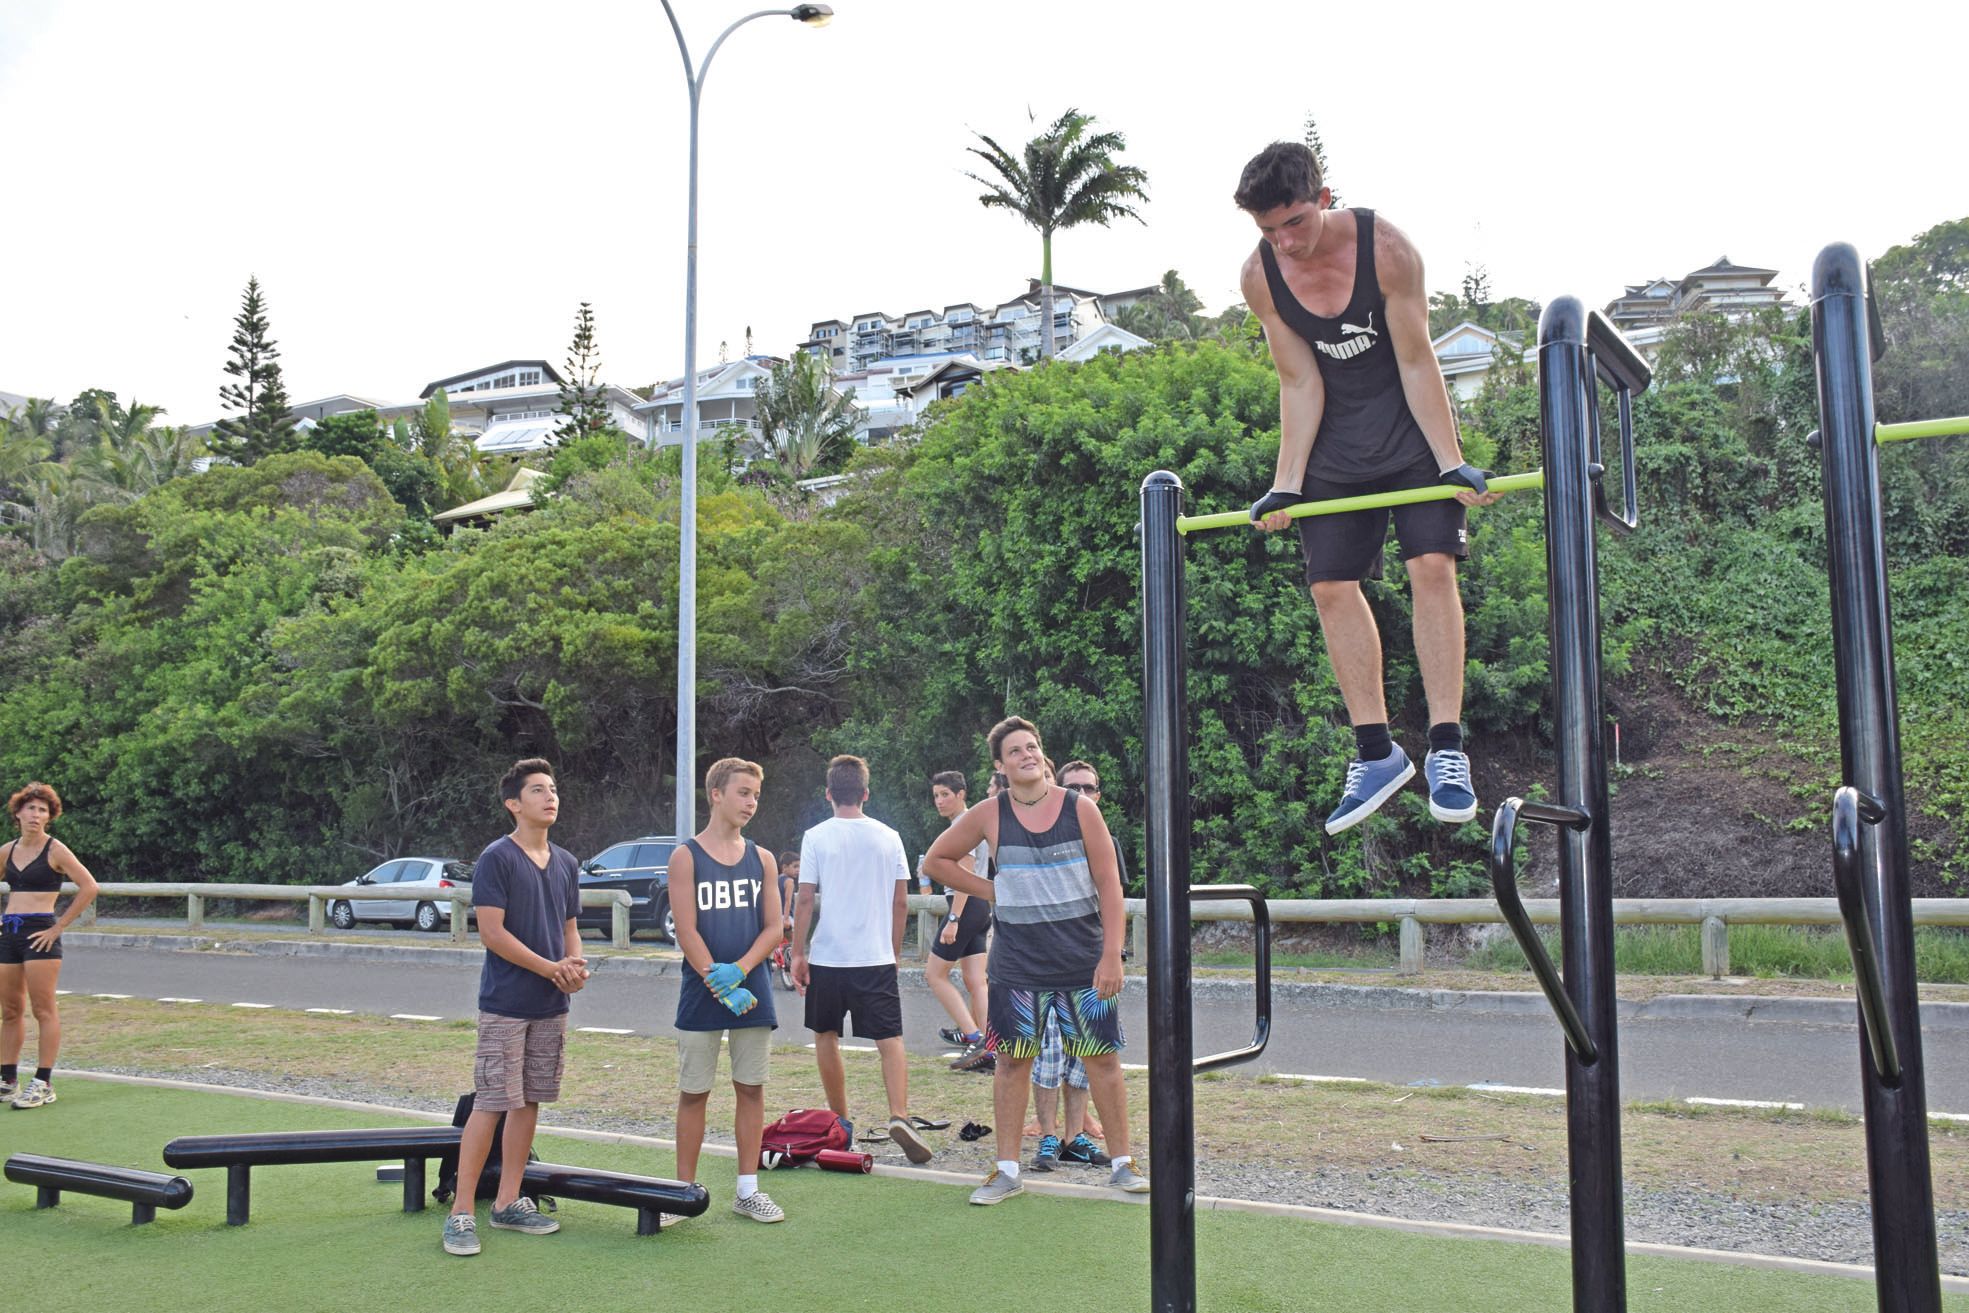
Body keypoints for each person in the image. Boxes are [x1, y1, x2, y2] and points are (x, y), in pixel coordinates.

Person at [1234, 140, 1498, 836]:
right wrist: (1285, 484)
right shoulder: (1261, 277)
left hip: (1409, 434)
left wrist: (1449, 463)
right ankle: (1376, 754)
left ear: (1322, 199)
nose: (1283, 242)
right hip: (1336, 445)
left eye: (1293, 222)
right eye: (1268, 231)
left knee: (1430, 566)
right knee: (1328, 586)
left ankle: (1445, 747)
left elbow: (1416, 359)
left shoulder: (1387, 250)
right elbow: (1298, 380)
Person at [925, 717, 1148, 1203]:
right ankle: (1006, 1172)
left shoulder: (1080, 809)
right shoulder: (989, 813)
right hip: (1016, 966)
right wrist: (992, 889)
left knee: (1102, 1062)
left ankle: (1123, 1164)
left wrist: (1112, 954)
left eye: (1033, 747)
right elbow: (935, 861)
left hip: (1082, 961)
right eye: (1015, 751)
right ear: (1001, 765)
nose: (1027, 755)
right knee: (1011, 1063)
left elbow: (1111, 886)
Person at [444, 759, 588, 1257]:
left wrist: (574, 965)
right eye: (537, 790)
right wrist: (551, 968)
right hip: (506, 1004)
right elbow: (492, 932)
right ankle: (461, 1211)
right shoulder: (496, 858)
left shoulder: (567, 862)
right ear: (513, 803)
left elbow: (570, 927)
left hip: (552, 1004)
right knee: (492, 1101)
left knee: (529, 1100)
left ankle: (508, 1201)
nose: (550, 797)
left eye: (553, 789)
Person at [790, 754, 933, 1165]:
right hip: (875, 956)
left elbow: (804, 898)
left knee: (825, 1035)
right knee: (890, 1040)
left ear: (829, 794)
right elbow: (900, 900)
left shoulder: (815, 836)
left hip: (830, 956)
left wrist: (798, 951)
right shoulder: (889, 836)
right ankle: (899, 1114)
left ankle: (841, 1119)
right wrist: (889, 950)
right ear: (866, 794)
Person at [668, 758, 787, 1223]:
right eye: (743, 792)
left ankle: (748, 1189)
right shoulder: (686, 856)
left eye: (755, 794)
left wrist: (739, 971)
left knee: (751, 1088)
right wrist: (716, 980)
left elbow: (775, 927)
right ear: (716, 794)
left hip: (754, 992)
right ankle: (681, 1191)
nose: (751, 802)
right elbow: (686, 928)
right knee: (694, 1091)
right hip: (701, 994)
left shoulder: (763, 858)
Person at [1027, 759, 1120, 1171]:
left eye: (1089, 788)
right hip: (1041, 964)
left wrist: (1111, 956)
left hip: (1090, 961)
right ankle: (1048, 1137)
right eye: (1073, 788)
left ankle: (1073, 1138)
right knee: (1047, 1055)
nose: (1083, 795)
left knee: (1085, 1058)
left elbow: (1113, 900)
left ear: (1099, 794)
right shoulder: (1037, 837)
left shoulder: (1105, 839)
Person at [0, 782, 99, 1110]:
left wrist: (57, 928)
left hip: (40, 933)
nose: (36, 814)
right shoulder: (7, 850)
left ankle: (43, 1082)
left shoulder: (55, 850)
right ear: (18, 812)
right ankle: (7, 1080)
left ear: (49, 817)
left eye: (43, 810)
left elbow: (89, 887)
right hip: (9, 933)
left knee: (43, 1009)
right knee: (11, 1010)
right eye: (31, 808)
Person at [921, 771, 991, 1061]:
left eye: (945, 794)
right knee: (975, 980)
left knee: (935, 974)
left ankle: (974, 1036)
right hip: (978, 906)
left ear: (961, 794)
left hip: (965, 906)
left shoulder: (965, 824)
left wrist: (953, 918)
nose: (939, 801)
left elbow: (966, 869)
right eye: (936, 795)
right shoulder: (967, 822)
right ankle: (991, 1041)